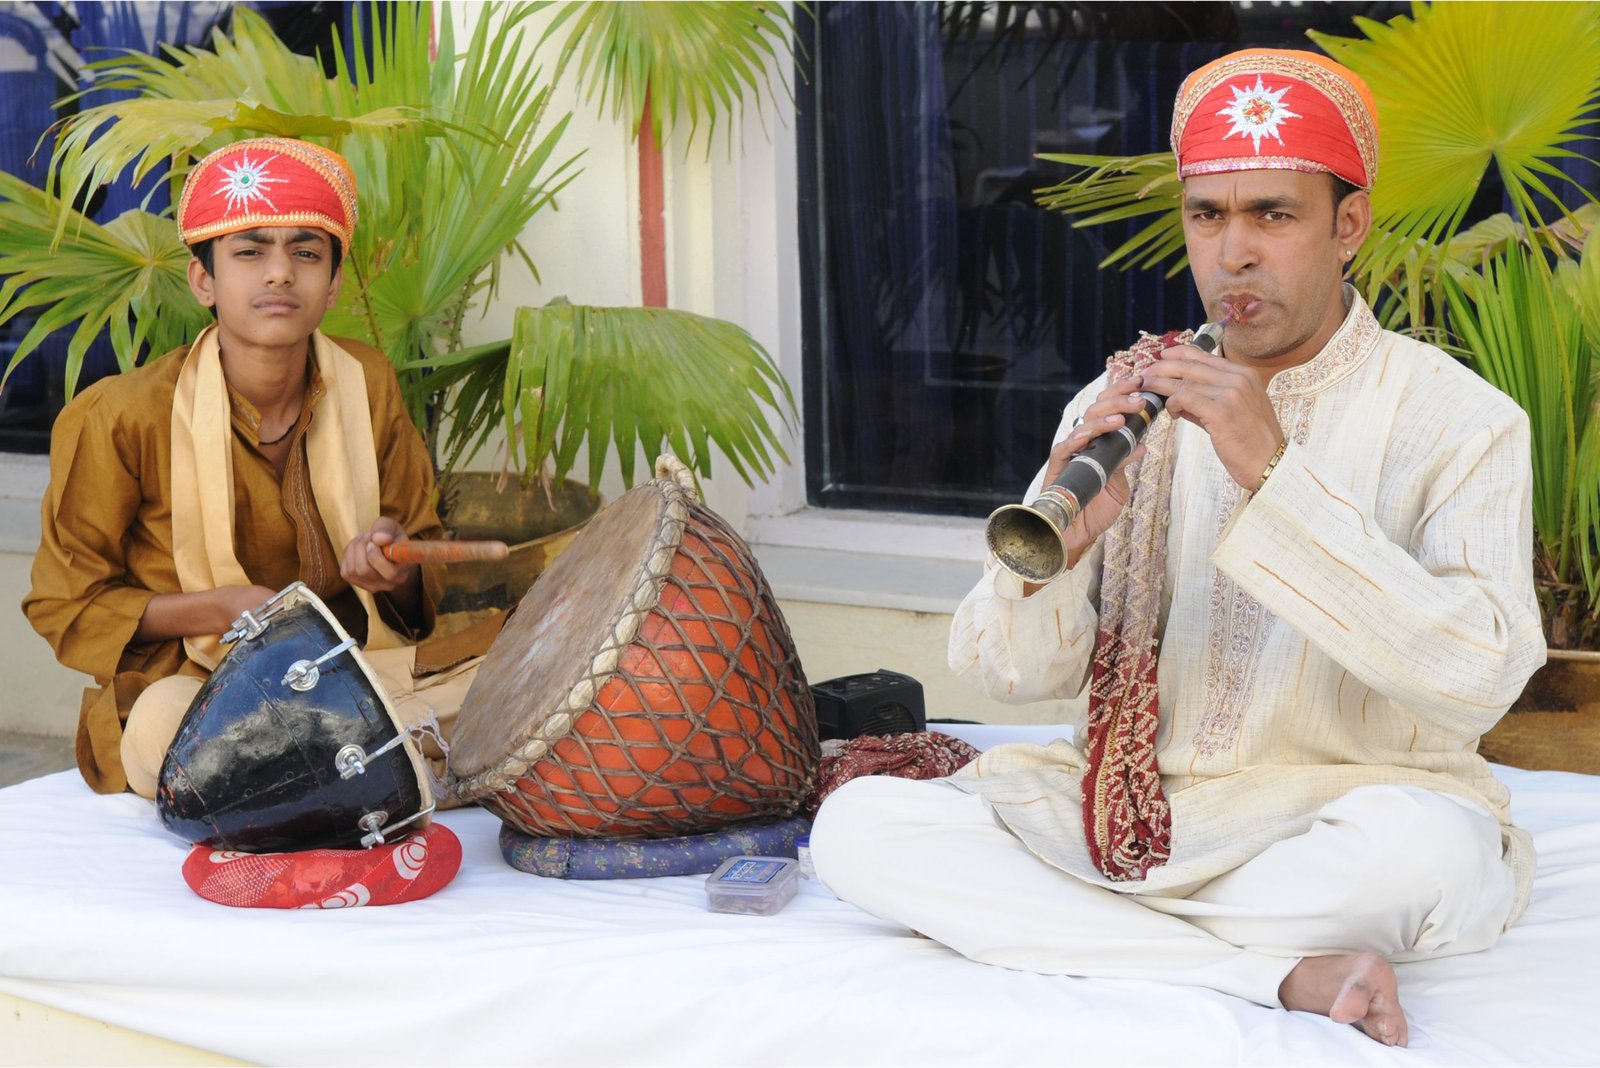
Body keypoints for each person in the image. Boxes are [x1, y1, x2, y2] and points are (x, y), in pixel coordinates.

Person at [810, 49, 1546, 1047]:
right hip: (1132, 814)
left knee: (1423, 862)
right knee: (859, 831)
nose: (1231, 253)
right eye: (1209, 216)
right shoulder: (1120, 401)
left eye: (1271, 215)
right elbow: (1013, 676)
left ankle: (1105, 935)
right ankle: (1273, 974)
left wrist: (1271, 478)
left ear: (1349, 225)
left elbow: (1476, 680)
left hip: (1339, 815)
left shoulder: (1462, 420)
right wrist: (1060, 556)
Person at [24, 137, 493, 800]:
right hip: (203, 688)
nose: (279, 274)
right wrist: (224, 609)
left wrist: (395, 564)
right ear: (203, 280)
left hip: (354, 670)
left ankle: (321, 771)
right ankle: (389, 758)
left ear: (332, 282)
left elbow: (421, 564)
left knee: (514, 666)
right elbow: (66, 603)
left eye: (305, 253)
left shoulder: (368, 381)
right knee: (162, 727)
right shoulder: (119, 415)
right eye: (250, 252)